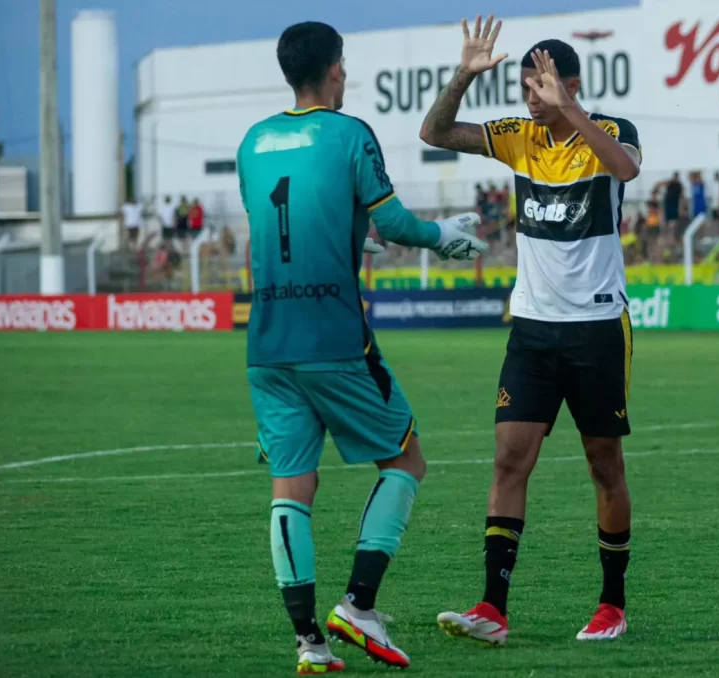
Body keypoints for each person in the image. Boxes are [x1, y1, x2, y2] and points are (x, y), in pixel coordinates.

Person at [237, 21, 487, 674]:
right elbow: (395, 221)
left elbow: (276, 230)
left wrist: (353, 241)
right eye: (343, 65)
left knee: (292, 484)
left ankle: (309, 645)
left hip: (266, 344)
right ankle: (358, 604)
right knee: (405, 461)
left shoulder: (254, 142)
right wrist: (441, 235)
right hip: (334, 337)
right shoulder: (351, 134)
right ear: (332, 70)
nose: (345, 75)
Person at [419, 15, 641, 644]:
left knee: (604, 465)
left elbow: (623, 170)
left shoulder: (611, 132)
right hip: (533, 329)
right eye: (524, 90)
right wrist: (465, 73)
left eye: (540, 88)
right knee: (509, 459)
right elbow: (433, 130)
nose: (530, 101)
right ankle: (492, 608)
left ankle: (612, 604)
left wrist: (567, 109)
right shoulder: (518, 136)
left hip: (598, 326)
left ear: (569, 85)